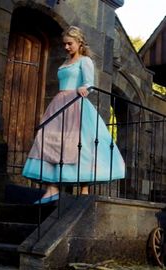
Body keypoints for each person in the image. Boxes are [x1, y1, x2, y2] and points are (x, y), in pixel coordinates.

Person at [22, 26, 125, 203]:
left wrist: (84, 88)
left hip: (75, 103)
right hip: (58, 104)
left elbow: (90, 83)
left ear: (79, 43)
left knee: (80, 144)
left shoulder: (85, 61)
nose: (66, 47)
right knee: (48, 140)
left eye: (70, 44)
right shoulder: (65, 62)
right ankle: (52, 188)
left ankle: (84, 190)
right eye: (64, 44)